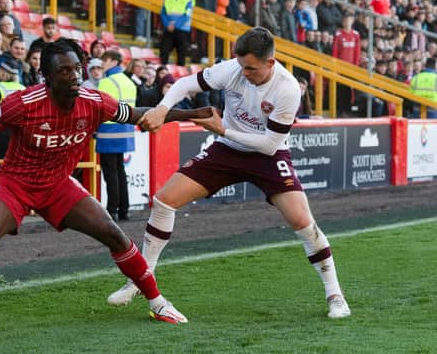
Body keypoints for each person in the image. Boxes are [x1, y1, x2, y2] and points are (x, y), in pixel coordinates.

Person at [0, 38, 216, 325]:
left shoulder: (95, 101)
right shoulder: (23, 103)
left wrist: (188, 115)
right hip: (15, 182)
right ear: (47, 77)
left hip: (57, 184)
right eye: (64, 70)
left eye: (77, 68)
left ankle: (158, 302)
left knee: (112, 232)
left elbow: (136, 114)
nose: (74, 75)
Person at [108, 27, 352, 319]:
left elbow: (269, 144)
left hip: (268, 155)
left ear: (270, 63)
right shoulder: (234, 69)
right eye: (241, 66)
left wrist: (223, 128)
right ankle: (140, 279)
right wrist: (162, 109)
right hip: (227, 149)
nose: (244, 73)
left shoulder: (286, 88)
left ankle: (335, 295)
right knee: (164, 200)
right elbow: (186, 83)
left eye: (251, 68)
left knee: (302, 220)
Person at [96, 50, 137, 222]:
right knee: (120, 171)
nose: (102, 65)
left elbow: (100, 109)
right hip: (126, 130)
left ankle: (112, 209)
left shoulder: (106, 82)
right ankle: (124, 209)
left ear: (113, 61)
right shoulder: (130, 82)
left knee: (110, 173)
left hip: (108, 132)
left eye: (104, 61)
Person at [160, 0, 195, 66]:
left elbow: (187, 15)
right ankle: (162, 71)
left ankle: (180, 73)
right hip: (169, 29)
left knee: (181, 54)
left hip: (182, 29)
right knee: (164, 50)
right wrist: (167, 25)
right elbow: (163, 12)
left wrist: (174, 25)